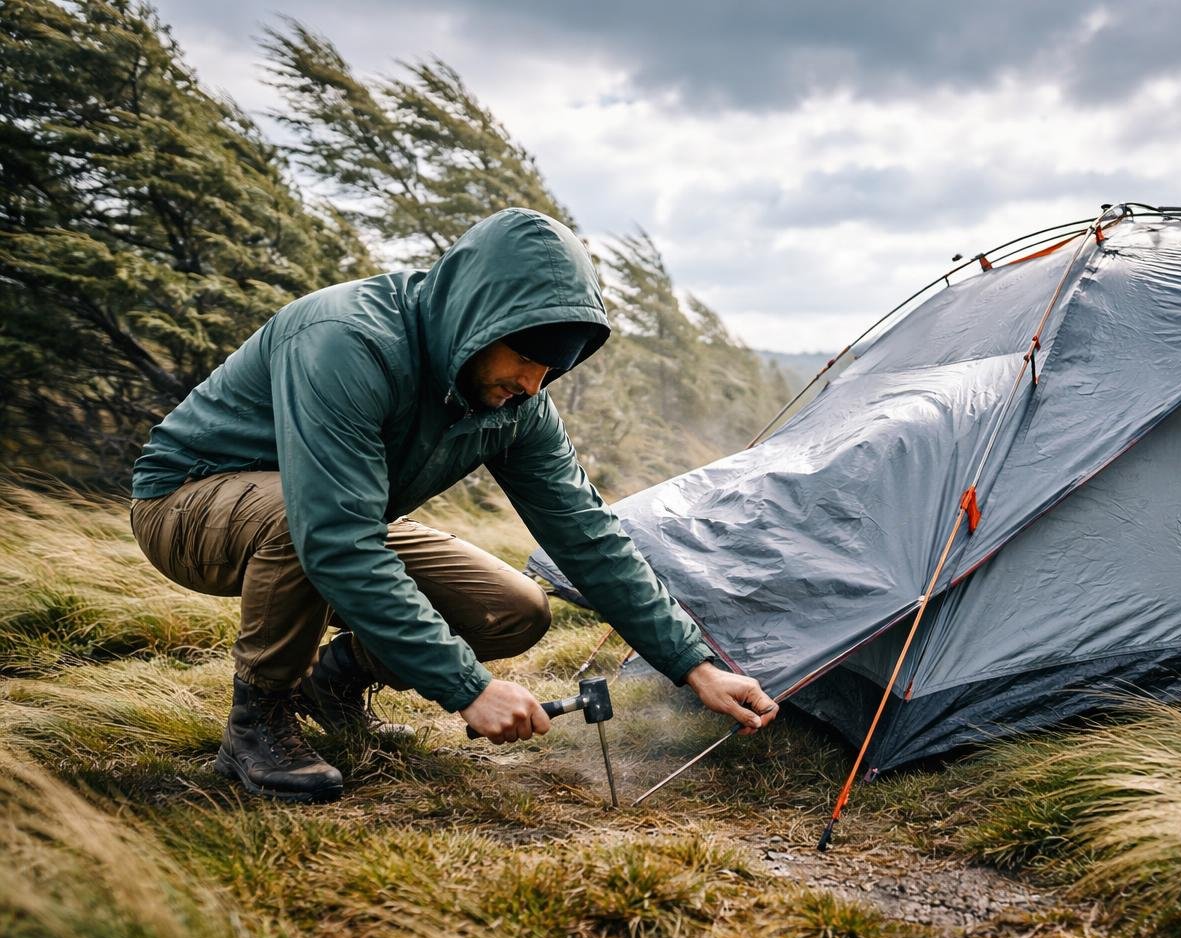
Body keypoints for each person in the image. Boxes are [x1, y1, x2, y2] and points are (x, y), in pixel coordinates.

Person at [129, 208, 778, 803]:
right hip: (186, 505)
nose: (532, 383)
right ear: (478, 315)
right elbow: (333, 535)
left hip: (335, 519)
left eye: (551, 371)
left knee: (514, 611)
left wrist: (694, 668)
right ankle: (257, 723)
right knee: (299, 522)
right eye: (525, 356)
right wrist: (466, 688)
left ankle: (332, 683)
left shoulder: (521, 406)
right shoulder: (345, 341)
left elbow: (587, 535)